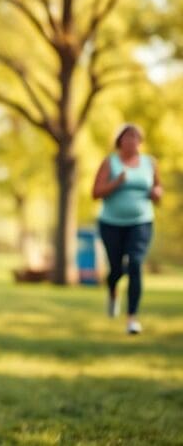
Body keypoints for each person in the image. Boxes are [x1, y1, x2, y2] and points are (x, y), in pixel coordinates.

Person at [92, 123, 162, 335]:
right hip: (111, 223)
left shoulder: (150, 163)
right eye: (127, 137)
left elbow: (158, 187)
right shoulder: (110, 162)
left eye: (135, 137)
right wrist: (116, 183)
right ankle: (113, 291)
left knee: (135, 263)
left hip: (141, 222)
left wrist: (157, 193)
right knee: (115, 268)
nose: (131, 141)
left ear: (140, 141)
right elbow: (95, 192)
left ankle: (132, 318)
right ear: (120, 141)